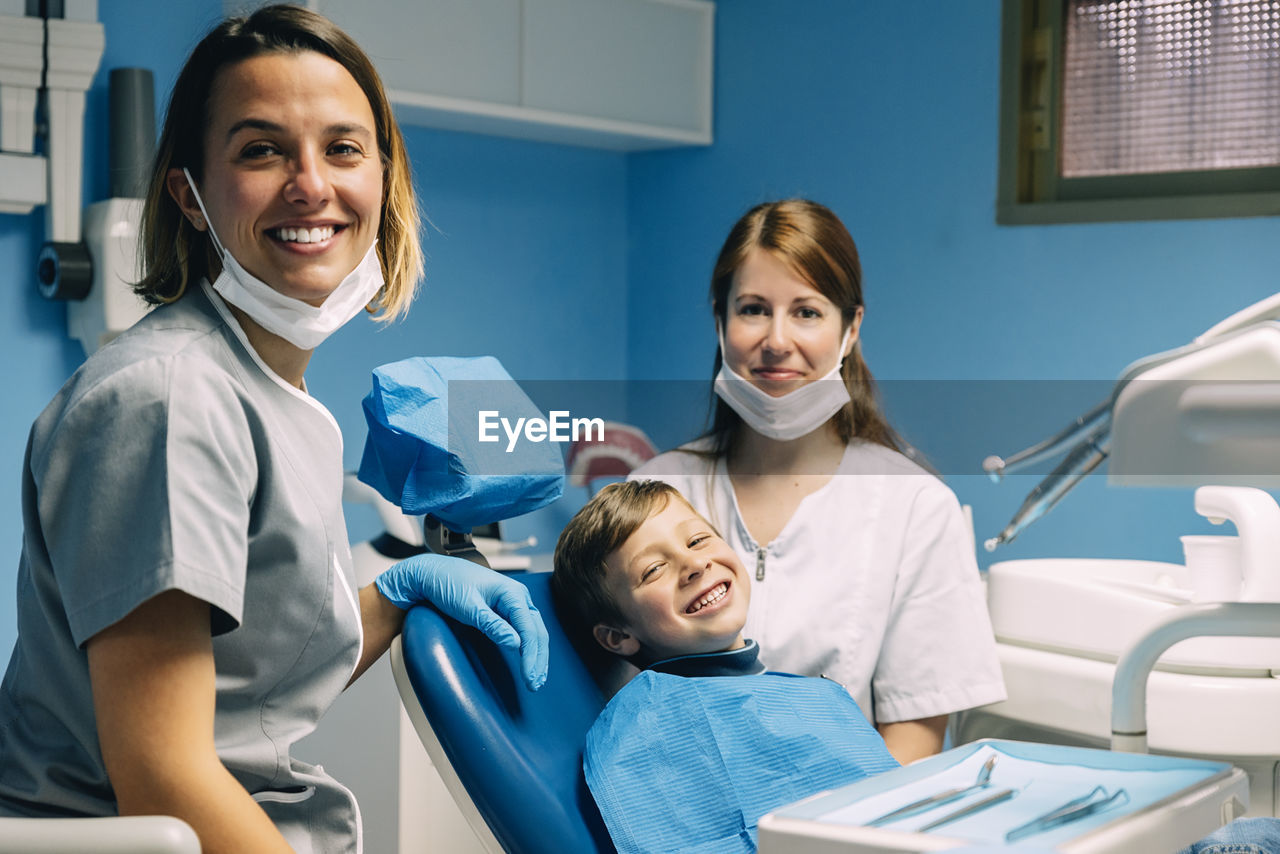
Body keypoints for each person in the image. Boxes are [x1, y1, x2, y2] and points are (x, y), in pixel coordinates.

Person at [0, 7, 546, 854]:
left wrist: (400, 592)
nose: (311, 185)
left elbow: (244, 691)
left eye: (343, 148)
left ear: (383, 177)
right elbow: (163, 779)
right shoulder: (168, 400)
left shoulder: (277, 401)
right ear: (189, 192)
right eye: (261, 150)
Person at [629, 198, 1005, 764]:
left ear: (850, 328)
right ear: (719, 319)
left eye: (807, 312)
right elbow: (609, 694)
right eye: (753, 309)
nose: (777, 340)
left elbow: (913, 746)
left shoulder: (915, 507)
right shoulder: (657, 491)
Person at [552, 479, 899, 853]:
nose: (695, 564)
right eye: (654, 569)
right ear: (618, 637)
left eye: (698, 540)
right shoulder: (643, 738)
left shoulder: (804, 694)